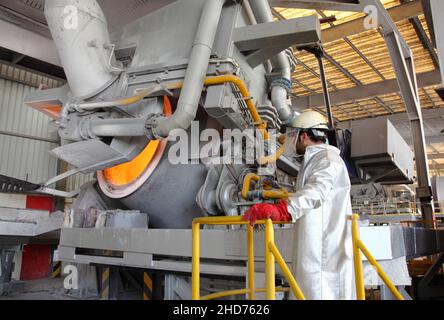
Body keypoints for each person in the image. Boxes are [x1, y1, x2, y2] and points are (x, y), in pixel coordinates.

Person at [242, 110, 354, 300]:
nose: (292, 143)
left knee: (319, 292)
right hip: (314, 248)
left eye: (293, 137)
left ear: (304, 136)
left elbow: (317, 191)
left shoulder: (327, 160)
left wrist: (285, 210)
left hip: (325, 255)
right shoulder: (314, 160)